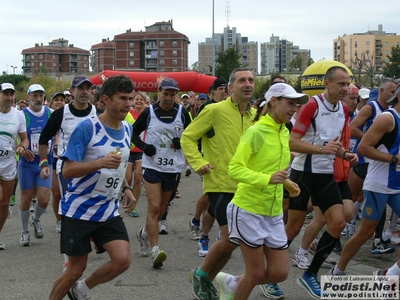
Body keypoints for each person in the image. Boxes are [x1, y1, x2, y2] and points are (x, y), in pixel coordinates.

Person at [48, 74, 137, 300]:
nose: (128, 104)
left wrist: (126, 188)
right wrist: (99, 162)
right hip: (79, 209)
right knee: (75, 269)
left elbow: (118, 165)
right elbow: (67, 170)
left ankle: (81, 290)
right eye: (122, 98)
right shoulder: (87, 128)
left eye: (130, 98)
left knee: (122, 260)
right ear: (106, 100)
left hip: (107, 208)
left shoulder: (127, 129)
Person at [218, 83, 306, 299]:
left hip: (273, 212)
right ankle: (236, 286)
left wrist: (285, 183)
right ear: (274, 101)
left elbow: (272, 168)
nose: (294, 108)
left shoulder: (284, 131)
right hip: (248, 209)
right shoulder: (256, 131)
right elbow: (234, 169)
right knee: (256, 273)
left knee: (279, 272)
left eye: (296, 104)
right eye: (290, 103)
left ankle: (232, 282)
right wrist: (268, 179)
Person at [181, 68, 256, 300]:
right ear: (230, 88)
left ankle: (205, 280)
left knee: (232, 241)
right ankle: (201, 274)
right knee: (231, 236)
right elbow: (188, 137)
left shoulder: (256, 116)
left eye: (251, 80)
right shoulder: (213, 110)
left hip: (247, 186)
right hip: (220, 183)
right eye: (242, 80)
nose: (248, 84)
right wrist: (198, 162)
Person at [283, 66, 357, 299]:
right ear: (327, 84)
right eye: (341, 84)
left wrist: (345, 155)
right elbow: (292, 143)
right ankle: (269, 273)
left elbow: (335, 144)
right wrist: (322, 149)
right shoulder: (312, 106)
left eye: (348, 84)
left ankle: (310, 274)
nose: (345, 88)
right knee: (293, 228)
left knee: (339, 223)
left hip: (325, 176)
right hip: (303, 174)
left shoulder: (344, 109)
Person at [332, 83, 400, 278]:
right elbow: (363, 148)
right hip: (379, 185)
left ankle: (390, 275)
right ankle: (338, 271)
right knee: (366, 232)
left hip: (397, 185)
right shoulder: (387, 119)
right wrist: (394, 159)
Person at [133, 78, 191, 269]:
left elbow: (192, 136)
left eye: (172, 94)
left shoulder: (183, 113)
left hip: (173, 168)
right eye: (165, 93)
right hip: (152, 166)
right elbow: (132, 133)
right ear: (159, 92)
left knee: (163, 209)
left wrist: (182, 143)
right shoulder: (149, 113)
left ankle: (144, 233)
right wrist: (144, 146)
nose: (169, 97)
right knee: (155, 206)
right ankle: (155, 249)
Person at [347, 78, 397, 252]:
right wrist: (371, 141)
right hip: (364, 160)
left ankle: (378, 240)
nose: (393, 94)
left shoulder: (392, 112)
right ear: (382, 91)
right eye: (391, 91)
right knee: (352, 196)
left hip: (382, 165)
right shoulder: (371, 108)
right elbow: (352, 128)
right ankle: (338, 228)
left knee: (378, 201)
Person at [189, 77, 228, 256]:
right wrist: (198, 160)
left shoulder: (240, 111)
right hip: (211, 163)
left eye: (225, 88)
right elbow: (192, 135)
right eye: (221, 88)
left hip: (235, 170)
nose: (224, 91)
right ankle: (200, 227)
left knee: (217, 205)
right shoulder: (208, 108)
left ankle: (221, 233)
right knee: (209, 199)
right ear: (213, 91)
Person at [18, 84, 53, 246]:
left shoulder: (50, 113)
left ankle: (36, 219)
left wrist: (58, 142)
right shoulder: (21, 115)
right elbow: (15, 137)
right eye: (35, 96)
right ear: (28, 96)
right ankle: (25, 231)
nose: (38, 99)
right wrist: (22, 149)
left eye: (41, 96)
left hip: (44, 161)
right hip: (27, 162)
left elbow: (58, 131)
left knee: (44, 199)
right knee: (25, 199)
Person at [0, 83, 29, 249]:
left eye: (12, 94)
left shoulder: (18, 115)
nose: (9, 97)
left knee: (4, 203)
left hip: (9, 163)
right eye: (6, 94)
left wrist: (22, 147)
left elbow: (24, 138)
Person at [124, 91, 147, 217]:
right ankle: (126, 194)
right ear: (133, 101)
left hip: (141, 150)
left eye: (141, 100)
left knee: (138, 179)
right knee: (128, 178)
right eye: (137, 99)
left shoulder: (147, 114)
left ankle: (134, 206)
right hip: (129, 150)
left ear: (144, 102)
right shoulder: (128, 114)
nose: (139, 101)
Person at [48, 92, 66, 233]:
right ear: (51, 103)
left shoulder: (68, 116)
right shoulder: (49, 115)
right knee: (56, 192)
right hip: (52, 158)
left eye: (62, 100)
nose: (59, 102)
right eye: (56, 100)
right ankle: (59, 220)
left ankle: (70, 219)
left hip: (66, 158)